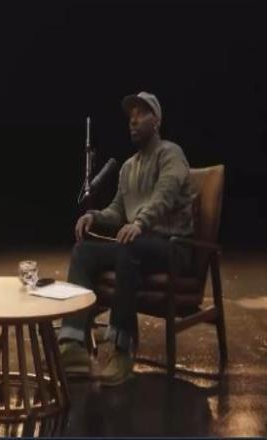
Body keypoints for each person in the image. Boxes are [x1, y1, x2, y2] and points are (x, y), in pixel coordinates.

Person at [58, 91, 194, 385]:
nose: (133, 120)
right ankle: (73, 346)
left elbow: (165, 196)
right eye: (130, 115)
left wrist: (141, 223)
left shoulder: (171, 154)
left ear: (156, 121)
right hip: (137, 247)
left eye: (141, 113)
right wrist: (94, 216)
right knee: (83, 252)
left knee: (128, 247)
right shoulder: (128, 167)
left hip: (174, 246)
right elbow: (117, 210)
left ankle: (122, 348)